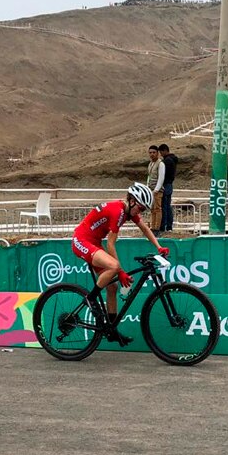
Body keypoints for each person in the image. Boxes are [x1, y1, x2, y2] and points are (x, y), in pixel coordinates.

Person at [72, 183, 168, 345]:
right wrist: (121, 272)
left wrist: (159, 247)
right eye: (140, 208)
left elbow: (144, 228)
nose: (141, 212)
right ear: (131, 201)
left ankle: (111, 331)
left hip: (94, 242)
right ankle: (90, 299)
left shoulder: (129, 211)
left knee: (112, 287)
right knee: (114, 266)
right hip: (81, 240)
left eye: (144, 210)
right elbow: (111, 244)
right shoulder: (118, 211)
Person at [157, 144, 178, 233]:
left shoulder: (167, 161)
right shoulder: (172, 160)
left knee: (164, 206)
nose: (161, 154)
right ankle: (168, 226)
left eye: (161, 152)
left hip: (166, 185)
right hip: (169, 185)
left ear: (165, 150)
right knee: (167, 206)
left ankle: (164, 226)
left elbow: (163, 175)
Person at [145, 145, 165, 232]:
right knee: (152, 209)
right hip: (150, 189)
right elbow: (149, 177)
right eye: (150, 153)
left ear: (157, 153)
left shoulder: (160, 164)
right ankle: (152, 227)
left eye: (154, 152)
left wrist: (156, 189)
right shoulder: (150, 164)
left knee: (157, 209)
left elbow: (161, 177)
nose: (152, 154)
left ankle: (157, 227)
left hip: (157, 190)